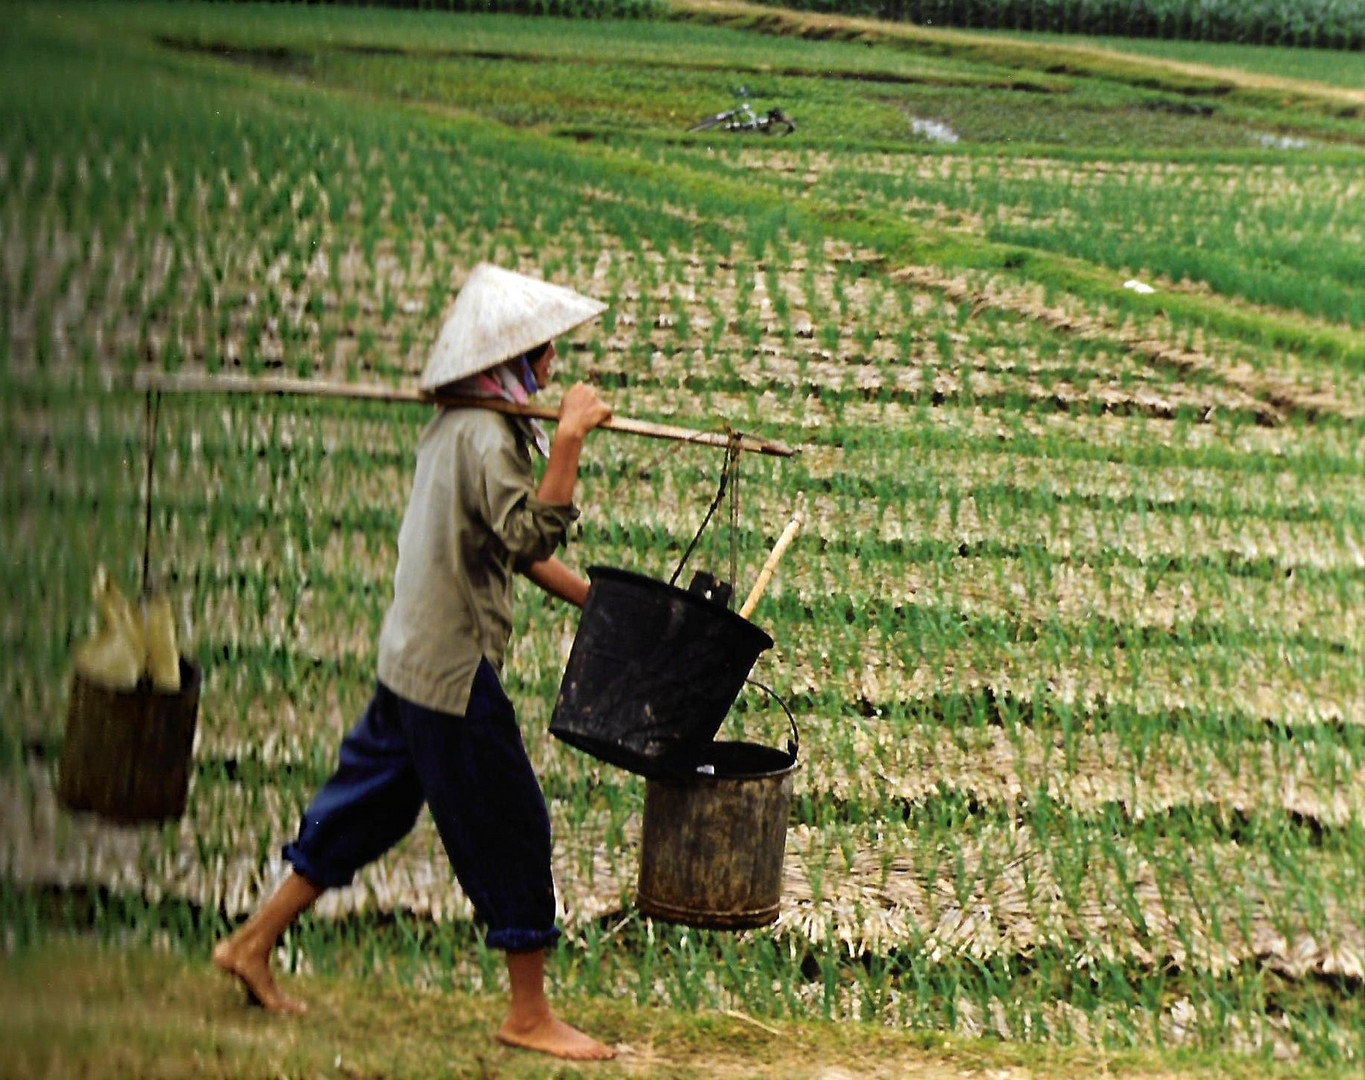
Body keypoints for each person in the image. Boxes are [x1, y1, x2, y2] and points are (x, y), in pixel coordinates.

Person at [213, 263, 616, 1061]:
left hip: (410, 655)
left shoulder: (457, 424)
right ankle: (528, 1014)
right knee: (511, 824)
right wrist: (567, 438)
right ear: (519, 362)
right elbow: (531, 533)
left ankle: (250, 944)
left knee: (361, 809)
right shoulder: (485, 433)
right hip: (450, 669)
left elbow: (506, 546)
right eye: (546, 358)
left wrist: (595, 602)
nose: (551, 372)